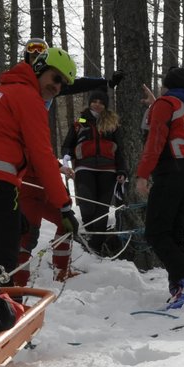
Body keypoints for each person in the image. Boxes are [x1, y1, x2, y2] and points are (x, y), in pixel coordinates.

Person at [0, 44, 80, 283]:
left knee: (12, 241)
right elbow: (42, 155)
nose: (56, 87)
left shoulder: (0, 91)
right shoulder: (27, 97)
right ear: (40, 68)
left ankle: (2, 306)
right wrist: (64, 205)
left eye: (63, 85)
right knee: (5, 260)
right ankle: (2, 313)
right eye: (55, 78)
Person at [133, 65, 184, 308]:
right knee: (174, 234)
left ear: (166, 86)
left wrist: (142, 175)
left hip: (171, 172)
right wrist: (156, 104)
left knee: (155, 232)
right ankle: (181, 287)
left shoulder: (165, 104)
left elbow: (155, 141)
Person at [61, 90, 126, 255]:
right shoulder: (81, 120)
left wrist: (122, 170)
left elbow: (120, 150)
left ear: (105, 106)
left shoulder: (112, 124)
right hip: (84, 167)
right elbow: (69, 141)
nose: (97, 104)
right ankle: (90, 233)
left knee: (102, 207)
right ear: (90, 103)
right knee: (87, 204)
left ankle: (97, 245)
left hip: (108, 169)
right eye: (94, 101)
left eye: (101, 102)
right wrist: (67, 154)